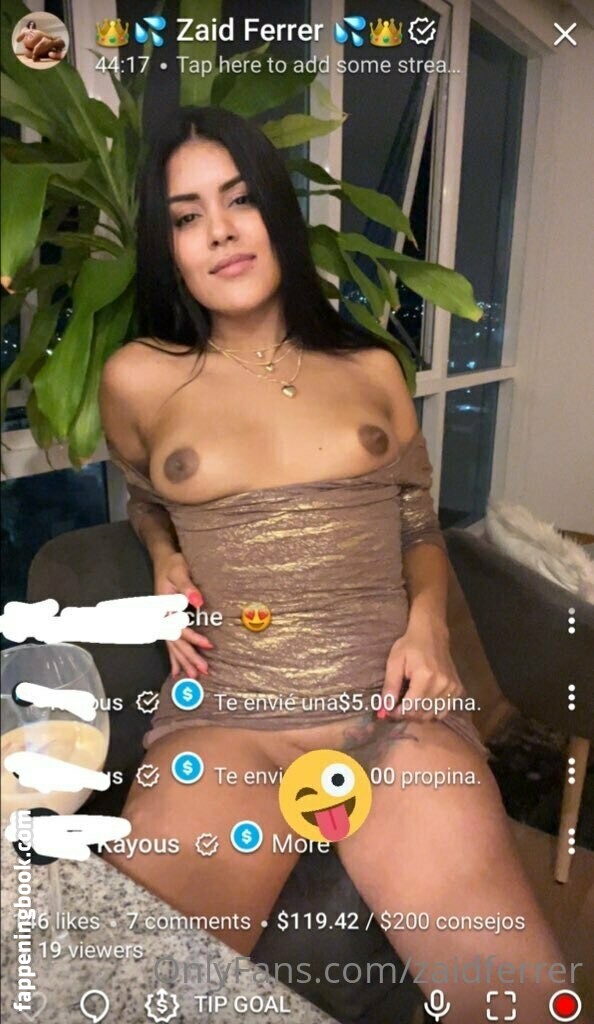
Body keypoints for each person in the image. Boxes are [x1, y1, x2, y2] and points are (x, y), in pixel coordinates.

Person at [99, 107, 569, 1021]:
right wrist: (162, 554)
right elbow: (146, 496)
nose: (221, 231)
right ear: (169, 247)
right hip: (230, 715)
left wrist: (429, 629)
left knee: (514, 998)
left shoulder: (372, 369)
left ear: (277, 212)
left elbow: (417, 524)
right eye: (188, 216)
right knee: (135, 989)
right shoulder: (139, 377)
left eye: (240, 200)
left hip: (389, 709)